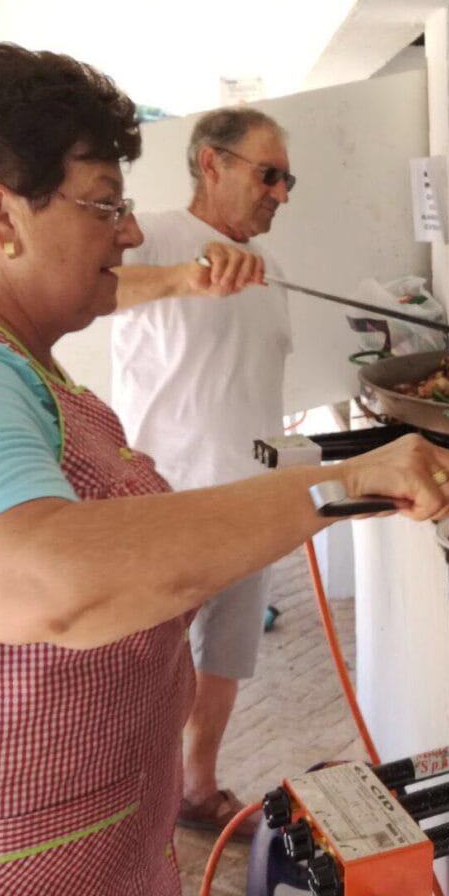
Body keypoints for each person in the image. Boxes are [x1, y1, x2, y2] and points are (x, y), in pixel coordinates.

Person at [0, 42, 449, 896]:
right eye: (104, 205)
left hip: (75, 849)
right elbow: (43, 584)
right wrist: (337, 487)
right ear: (1, 214)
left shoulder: (14, 360)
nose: (125, 229)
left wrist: (355, 478)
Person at [109, 107, 297, 841]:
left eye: (288, 180)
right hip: (169, 496)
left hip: (250, 498)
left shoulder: (273, 269)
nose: (281, 191)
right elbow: (97, 289)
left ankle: (195, 788)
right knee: (152, 663)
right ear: (212, 163)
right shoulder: (153, 232)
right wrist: (189, 278)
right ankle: (132, 804)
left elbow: (251, 383)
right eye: (268, 173)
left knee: (225, 655)